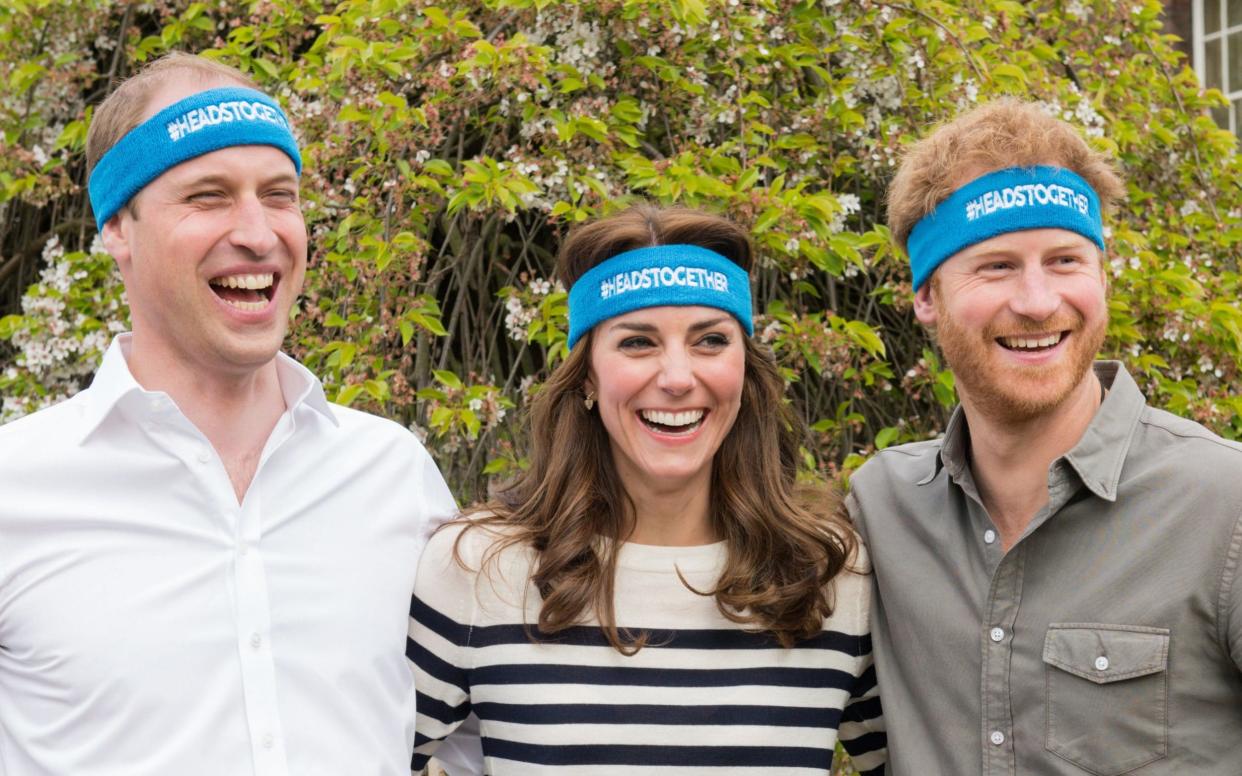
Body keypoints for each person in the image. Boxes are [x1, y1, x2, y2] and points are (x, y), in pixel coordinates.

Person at [0, 53, 478, 775]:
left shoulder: (393, 474)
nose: (259, 233)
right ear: (117, 229)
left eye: (279, 195)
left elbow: (489, 738)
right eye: (209, 196)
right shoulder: (17, 489)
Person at [408, 204, 886, 775]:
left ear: (744, 368)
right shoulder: (478, 570)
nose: (679, 377)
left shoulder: (831, 575)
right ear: (587, 373)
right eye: (638, 342)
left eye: (710, 340)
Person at [849, 98, 1242, 774]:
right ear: (926, 298)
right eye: (996, 266)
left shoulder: (1225, 505)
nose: (1036, 301)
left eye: (1064, 260)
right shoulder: (882, 508)